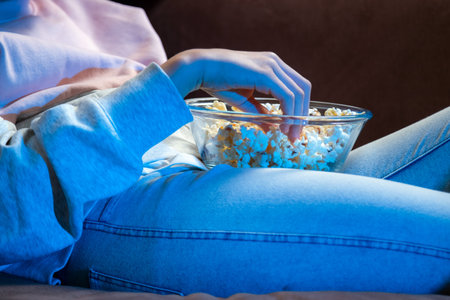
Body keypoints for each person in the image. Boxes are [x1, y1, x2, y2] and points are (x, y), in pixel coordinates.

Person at [0, 0, 449, 297]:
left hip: (197, 156)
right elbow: (13, 209)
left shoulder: (87, 8)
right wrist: (178, 76)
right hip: (104, 198)